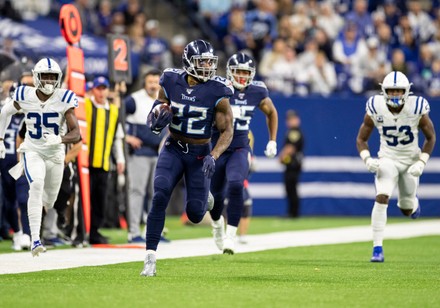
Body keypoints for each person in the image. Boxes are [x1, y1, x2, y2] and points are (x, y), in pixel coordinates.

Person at [140, 39, 234, 277]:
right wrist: (155, 119)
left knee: (194, 214)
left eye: (209, 62)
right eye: (202, 61)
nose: (207, 67)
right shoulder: (170, 80)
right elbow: (159, 105)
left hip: (200, 154)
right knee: (160, 193)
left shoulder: (218, 90)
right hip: (173, 147)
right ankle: (150, 257)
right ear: (188, 62)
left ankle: (206, 199)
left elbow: (227, 129)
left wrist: (215, 154)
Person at [0, 57, 81, 256]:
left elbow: (77, 133)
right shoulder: (25, 95)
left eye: (53, 77)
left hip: (55, 154)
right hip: (32, 150)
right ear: (36, 77)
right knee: (36, 184)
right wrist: (0, 139)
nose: (49, 81)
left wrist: (60, 139)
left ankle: (43, 224)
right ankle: (35, 239)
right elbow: (5, 111)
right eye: (45, 77)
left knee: (50, 199)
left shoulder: (64, 98)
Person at [356, 71, 436, 263]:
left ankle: (413, 203)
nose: (394, 95)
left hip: (410, 160)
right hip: (388, 158)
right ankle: (377, 249)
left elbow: (431, 137)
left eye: (398, 91)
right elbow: (361, 139)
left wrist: (421, 162)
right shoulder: (375, 107)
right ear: (384, 91)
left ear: (406, 91)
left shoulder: (416, 107)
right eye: (391, 91)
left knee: (406, 208)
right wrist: (367, 159)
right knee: (382, 196)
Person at [209, 52, 278, 255]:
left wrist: (272, 140)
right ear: (230, 72)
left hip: (240, 146)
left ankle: (231, 236)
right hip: (217, 146)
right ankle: (216, 224)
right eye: (237, 72)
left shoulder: (257, 91)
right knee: (216, 195)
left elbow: (271, 112)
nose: (241, 76)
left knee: (237, 184)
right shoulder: (219, 88)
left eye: (245, 72)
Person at [124, 69, 165, 243]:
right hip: (139, 153)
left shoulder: (165, 99)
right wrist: (126, 137)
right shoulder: (134, 100)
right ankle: (133, 232)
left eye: (157, 81)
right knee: (137, 192)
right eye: (150, 82)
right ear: (144, 83)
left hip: (160, 154)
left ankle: (154, 232)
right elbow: (116, 119)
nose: (154, 85)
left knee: (157, 194)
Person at [85, 76, 125, 244]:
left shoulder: (114, 111)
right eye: (98, 88)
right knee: (83, 199)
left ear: (108, 90)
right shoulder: (85, 106)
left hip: (103, 162)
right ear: (93, 90)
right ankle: (80, 231)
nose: (101, 92)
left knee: (100, 199)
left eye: (104, 88)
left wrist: (120, 158)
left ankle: (95, 232)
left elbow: (117, 137)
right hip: (85, 163)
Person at [278, 110, 304, 218]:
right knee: (290, 188)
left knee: (291, 188)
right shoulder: (292, 131)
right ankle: (292, 212)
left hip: (293, 164)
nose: (289, 121)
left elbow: (291, 147)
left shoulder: (294, 132)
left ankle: (293, 213)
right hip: (292, 164)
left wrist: (282, 156)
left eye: (292, 119)